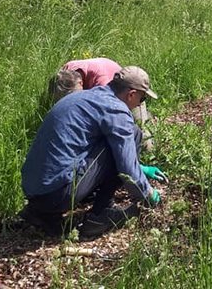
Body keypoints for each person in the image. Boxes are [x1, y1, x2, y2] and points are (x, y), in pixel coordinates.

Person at [20, 66, 166, 240]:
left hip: (35, 190)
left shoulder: (84, 97)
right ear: (132, 94)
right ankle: (101, 214)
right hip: (59, 193)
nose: (140, 104)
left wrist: (140, 168)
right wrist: (147, 194)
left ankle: (41, 213)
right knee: (133, 132)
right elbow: (126, 166)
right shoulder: (116, 110)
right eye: (141, 99)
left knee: (113, 141)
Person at [50, 57, 153, 150]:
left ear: (81, 84)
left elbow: (113, 120)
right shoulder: (65, 72)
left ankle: (150, 156)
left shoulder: (104, 85)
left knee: (144, 141)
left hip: (132, 93)